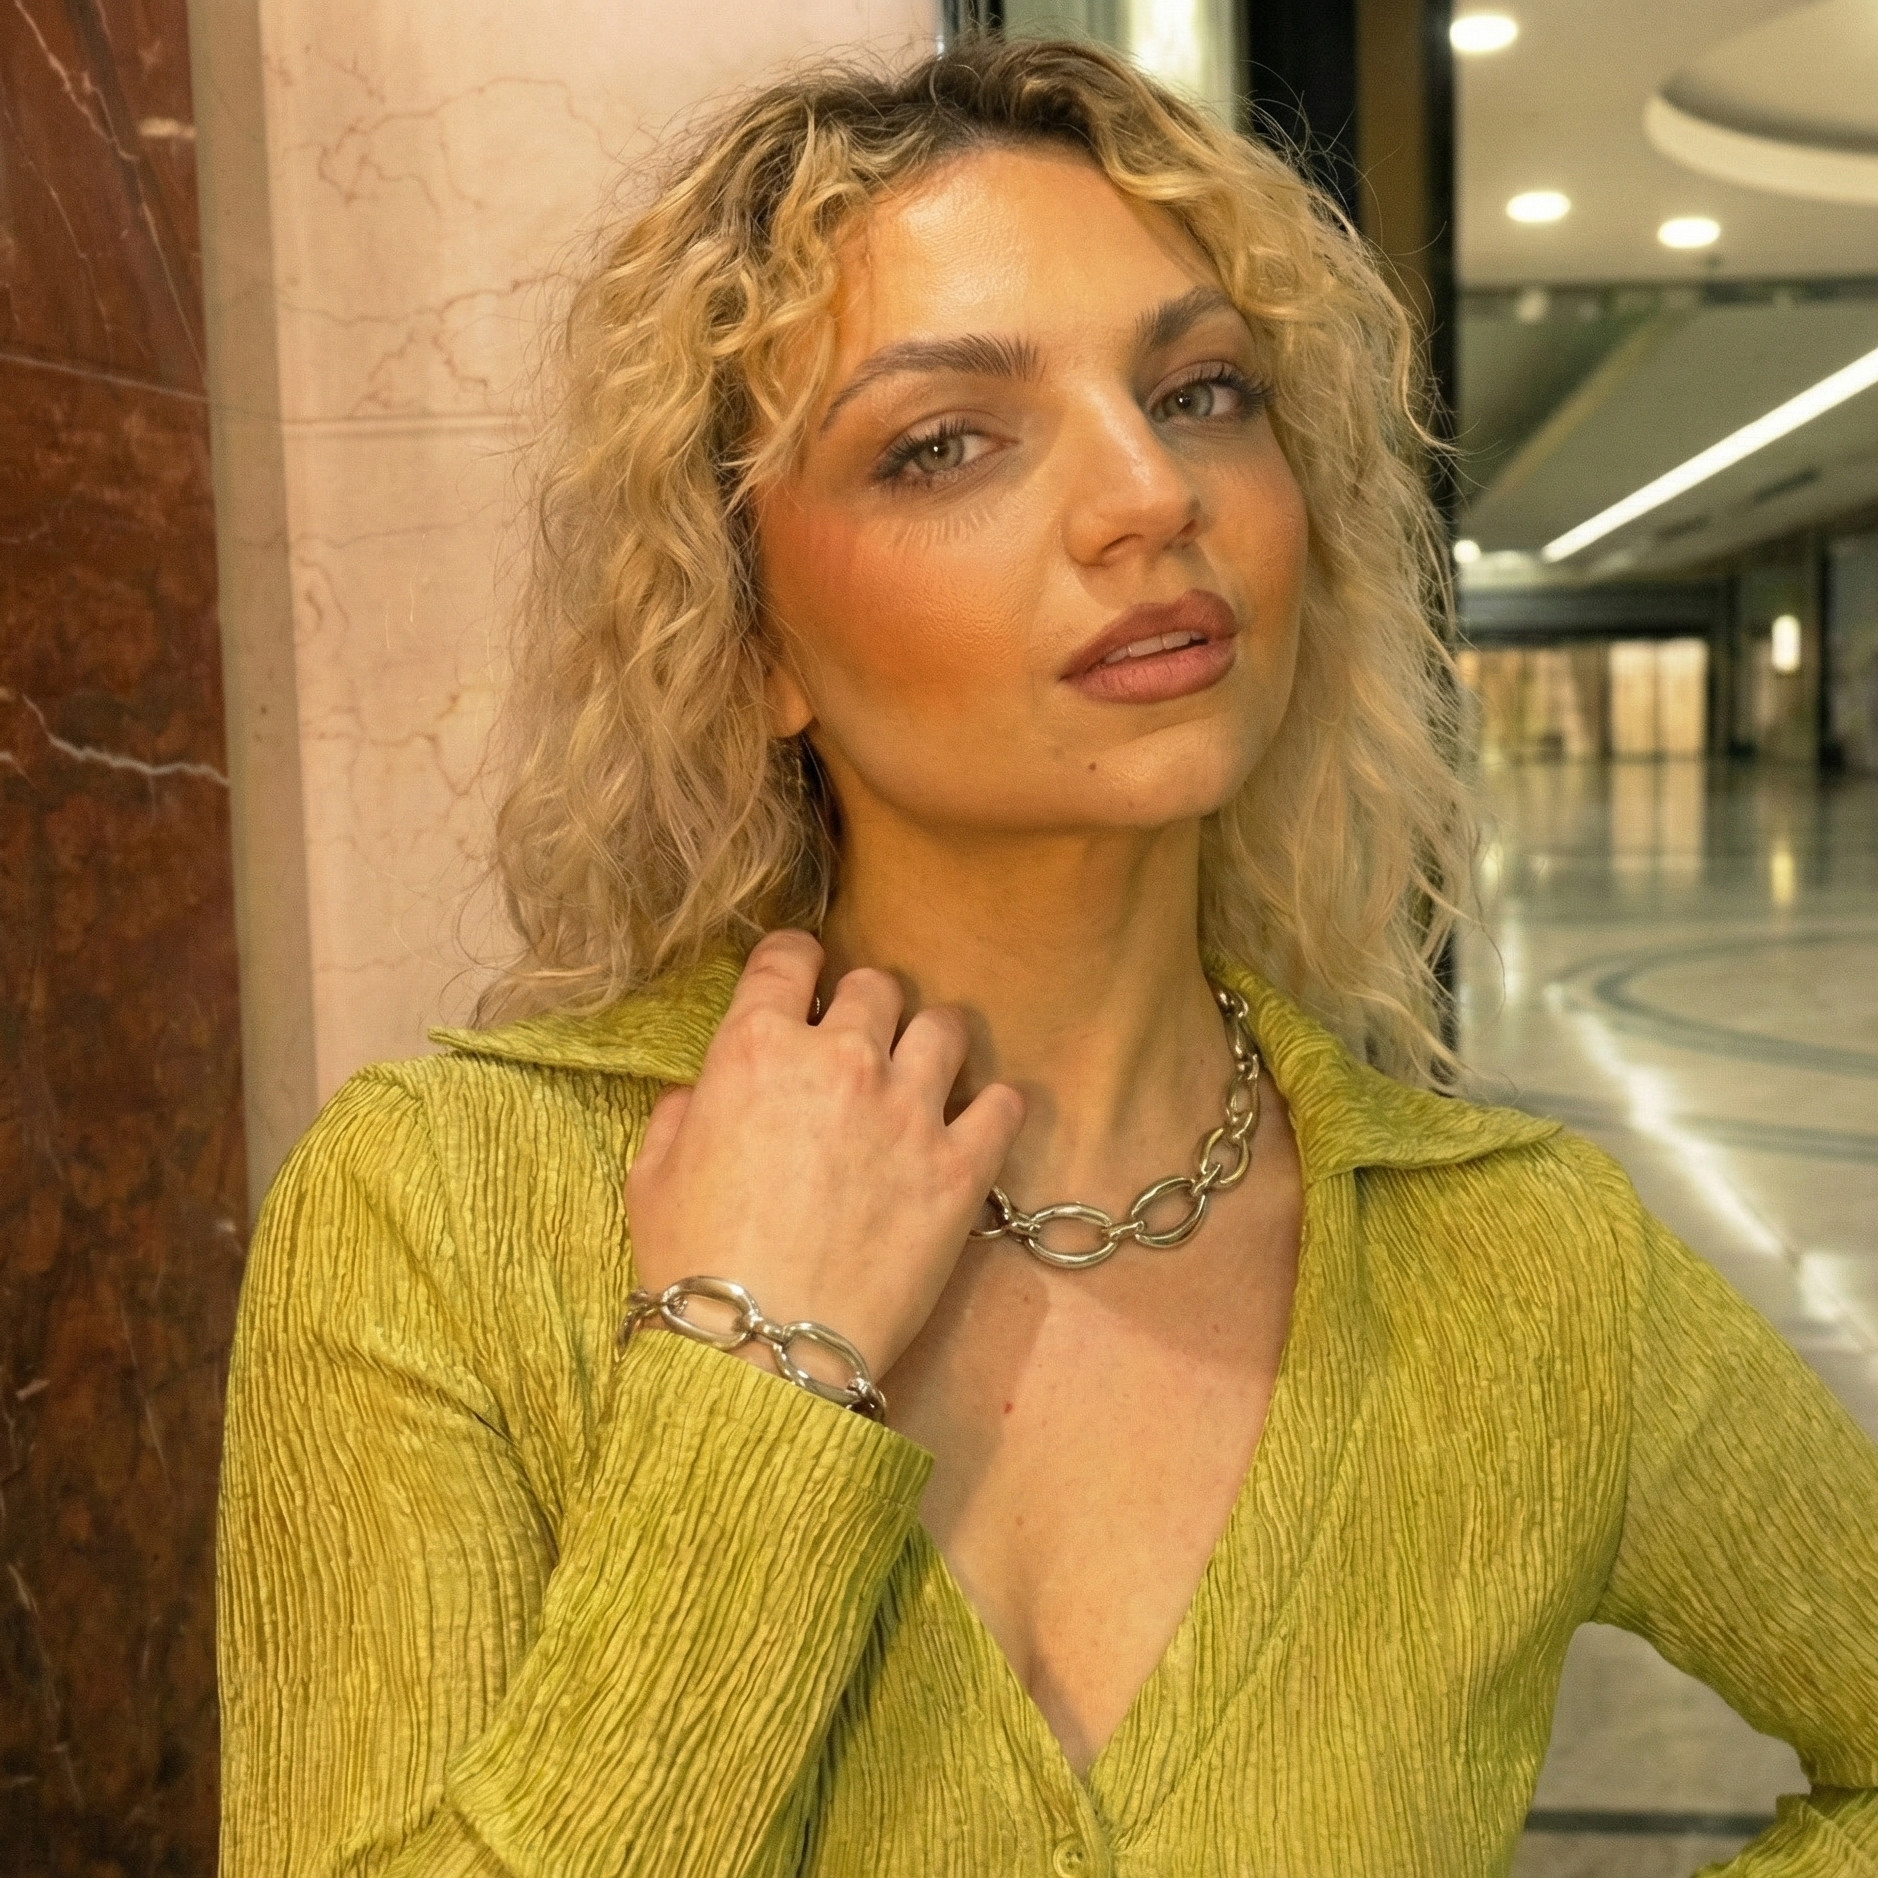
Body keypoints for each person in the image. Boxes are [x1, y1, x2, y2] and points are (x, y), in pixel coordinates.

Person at [215, 36, 1878, 1877]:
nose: (1147, 495)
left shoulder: (1525, 1264)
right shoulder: (440, 1212)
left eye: (1201, 391)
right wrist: (749, 1386)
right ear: (744, 632)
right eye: (943, 442)